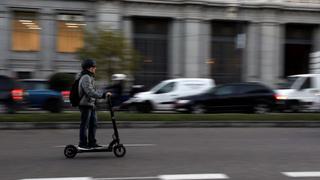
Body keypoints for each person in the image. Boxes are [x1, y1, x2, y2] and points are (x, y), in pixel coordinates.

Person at [78, 59, 110, 149]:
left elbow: (94, 91)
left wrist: (103, 93)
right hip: (85, 104)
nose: (95, 68)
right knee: (85, 124)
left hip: (90, 104)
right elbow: (89, 91)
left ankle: (92, 142)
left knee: (93, 123)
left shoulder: (90, 77)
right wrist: (102, 95)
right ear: (89, 68)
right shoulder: (85, 77)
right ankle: (82, 143)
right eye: (94, 67)